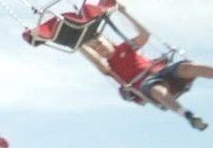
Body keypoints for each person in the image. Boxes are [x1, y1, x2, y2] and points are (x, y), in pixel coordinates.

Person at [78, 8, 211, 129]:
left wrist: (123, 11)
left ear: (107, 40)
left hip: (162, 72)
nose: (99, 48)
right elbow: (97, 62)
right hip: (147, 84)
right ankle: (188, 115)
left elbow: (145, 35)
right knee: (157, 90)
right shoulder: (109, 67)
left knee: (187, 67)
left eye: (100, 43)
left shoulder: (126, 46)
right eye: (95, 49)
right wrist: (77, 43)